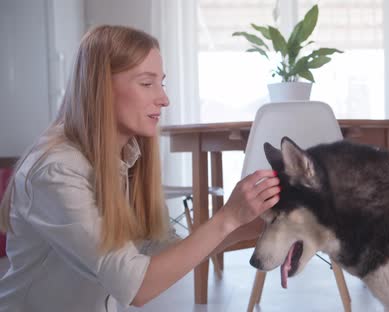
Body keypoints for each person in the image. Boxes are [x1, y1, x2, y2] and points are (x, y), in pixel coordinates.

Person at [0, 25, 280, 311]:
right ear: (101, 88)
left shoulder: (124, 158)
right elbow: (136, 285)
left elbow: (156, 252)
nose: (164, 98)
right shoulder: (57, 172)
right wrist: (227, 219)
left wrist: (244, 226)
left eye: (162, 83)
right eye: (147, 83)